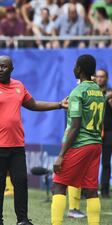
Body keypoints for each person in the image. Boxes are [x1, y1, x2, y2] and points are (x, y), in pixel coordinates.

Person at [0, 55, 68, 225]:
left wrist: (59, 104)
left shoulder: (18, 86)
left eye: (3, 67)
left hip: (16, 144)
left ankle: (22, 220)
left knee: (21, 182)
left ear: (11, 69)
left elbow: (34, 104)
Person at [51, 54, 104, 225]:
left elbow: (75, 126)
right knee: (91, 190)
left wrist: (61, 154)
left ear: (79, 69)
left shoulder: (77, 92)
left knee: (59, 185)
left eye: (75, 65)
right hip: (95, 144)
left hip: (79, 144)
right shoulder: (98, 90)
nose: (74, 68)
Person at [95, 69, 112, 198]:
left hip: (108, 132)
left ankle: (105, 191)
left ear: (106, 78)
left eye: (102, 76)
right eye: (98, 76)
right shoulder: (91, 92)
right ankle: (86, 191)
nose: (100, 79)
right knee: (89, 162)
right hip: (92, 131)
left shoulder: (110, 93)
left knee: (106, 162)